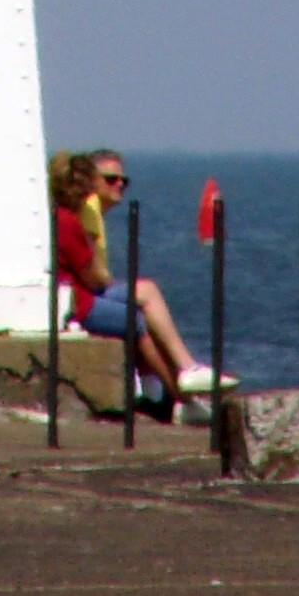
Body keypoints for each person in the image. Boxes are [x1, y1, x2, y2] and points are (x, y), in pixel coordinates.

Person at [48, 154, 227, 419]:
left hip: (74, 296)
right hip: (79, 302)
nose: (117, 184)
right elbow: (93, 278)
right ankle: (180, 391)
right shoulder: (70, 221)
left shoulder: (59, 217)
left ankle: (168, 390)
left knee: (141, 304)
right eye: (108, 180)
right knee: (136, 316)